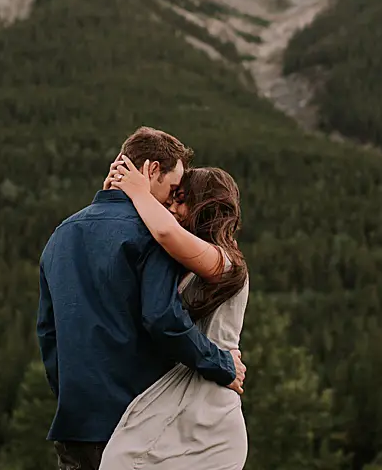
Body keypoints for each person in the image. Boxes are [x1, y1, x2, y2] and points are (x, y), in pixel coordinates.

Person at [36, 127, 245, 470]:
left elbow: (48, 333)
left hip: (75, 422)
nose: (171, 202)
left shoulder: (61, 235)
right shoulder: (151, 235)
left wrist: (71, 395)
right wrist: (221, 363)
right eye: (174, 189)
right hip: (135, 424)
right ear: (150, 172)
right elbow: (162, 318)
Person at [99, 155, 251, 470]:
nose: (171, 208)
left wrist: (140, 192)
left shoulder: (227, 263)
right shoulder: (175, 265)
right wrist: (111, 199)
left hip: (210, 418)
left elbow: (166, 233)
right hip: (170, 405)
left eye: (180, 201)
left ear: (204, 207)